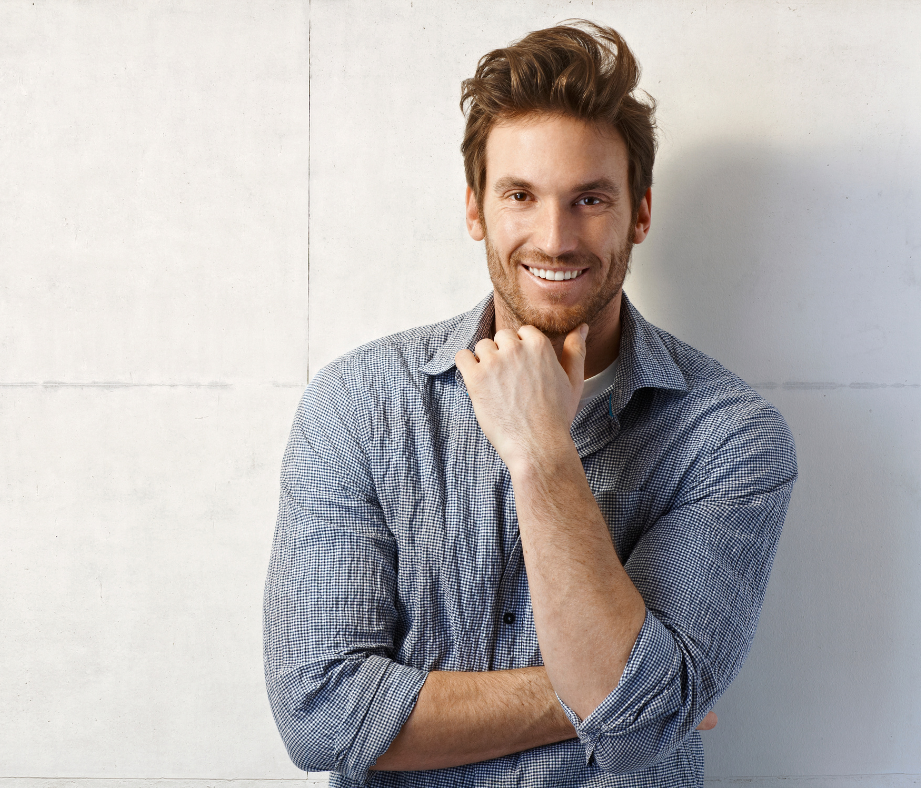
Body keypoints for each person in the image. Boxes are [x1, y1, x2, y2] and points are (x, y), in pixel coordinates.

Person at [263, 20, 797, 788]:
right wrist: (614, 691)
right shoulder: (358, 406)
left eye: (589, 199)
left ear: (638, 214)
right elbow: (319, 718)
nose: (554, 238)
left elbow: (638, 731)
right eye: (521, 195)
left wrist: (539, 450)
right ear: (476, 210)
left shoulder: (729, 437)